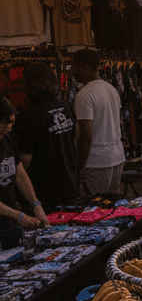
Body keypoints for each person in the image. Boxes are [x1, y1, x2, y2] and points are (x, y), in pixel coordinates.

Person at [14, 63, 78, 207]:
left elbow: (25, 159)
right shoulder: (65, 106)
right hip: (69, 183)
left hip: (43, 191)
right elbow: (74, 142)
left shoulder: (28, 117)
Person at [71, 49, 126, 195]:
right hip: (116, 157)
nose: (72, 71)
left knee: (95, 208)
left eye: (74, 67)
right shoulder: (111, 89)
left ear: (84, 67)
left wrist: (80, 167)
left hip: (97, 162)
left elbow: (86, 135)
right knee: (109, 205)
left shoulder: (84, 94)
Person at [0, 97, 49, 249]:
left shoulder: (8, 137)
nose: (8, 128)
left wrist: (36, 204)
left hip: (7, 220)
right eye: (4, 124)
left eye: (12, 123)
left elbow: (19, 172)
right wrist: (19, 216)